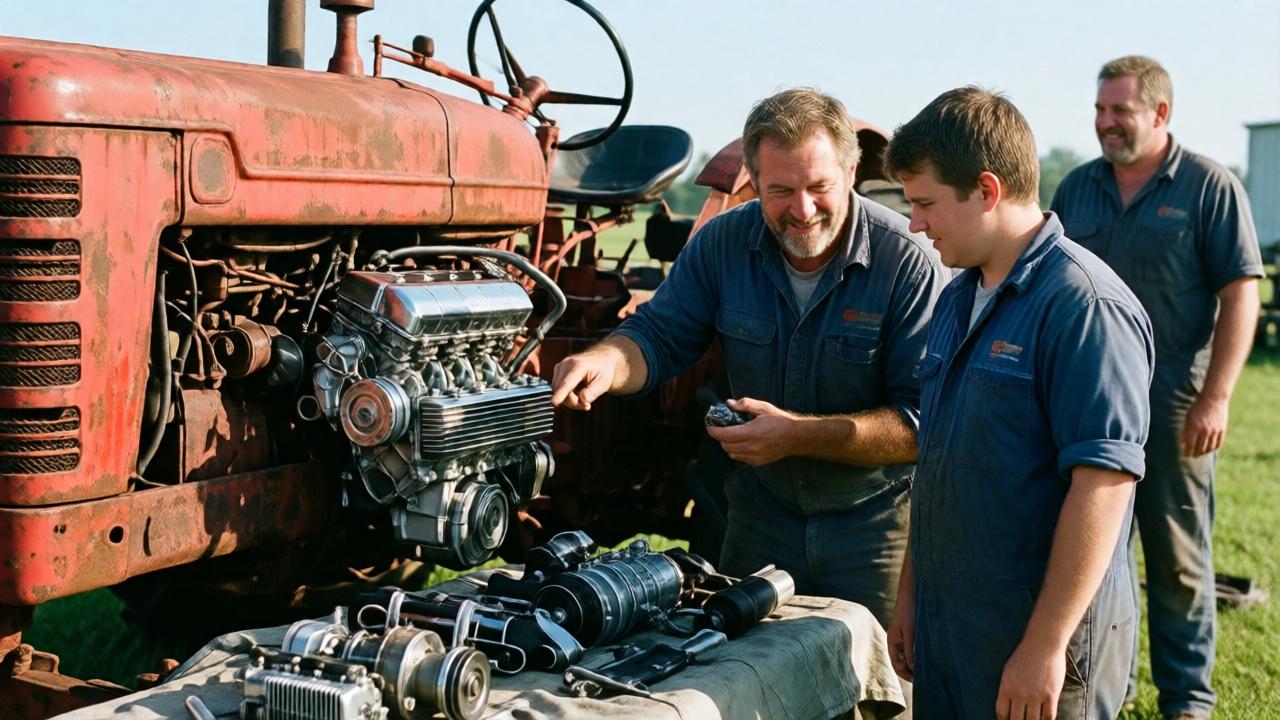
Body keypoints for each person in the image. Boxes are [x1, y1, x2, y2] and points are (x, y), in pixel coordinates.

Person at [550, 87, 948, 627]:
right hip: (762, 518)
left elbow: (923, 424)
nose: (803, 210)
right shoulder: (722, 243)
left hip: (872, 527)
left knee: (877, 695)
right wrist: (607, 362)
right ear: (754, 182)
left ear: (852, 171)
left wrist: (796, 435)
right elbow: (659, 337)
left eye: (819, 187)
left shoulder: (908, 262)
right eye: (781, 190)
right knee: (743, 678)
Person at [883, 86, 1155, 719]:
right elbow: (938, 458)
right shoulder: (958, 297)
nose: (914, 224)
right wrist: (910, 593)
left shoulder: (1085, 307)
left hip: (1035, 637)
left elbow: (1103, 485)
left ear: (986, 190)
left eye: (924, 203)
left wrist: (1045, 645)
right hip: (954, 624)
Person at [1051, 55, 1264, 720]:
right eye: (1099, 110)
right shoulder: (1076, 189)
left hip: (1174, 401)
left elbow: (1242, 294)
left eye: (1120, 111)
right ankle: (1107, 684)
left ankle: (1187, 701)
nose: (1105, 123)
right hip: (1086, 402)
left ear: (1161, 114)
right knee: (1089, 556)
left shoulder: (1209, 186)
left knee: (1176, 561)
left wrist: (1217, 396)